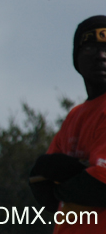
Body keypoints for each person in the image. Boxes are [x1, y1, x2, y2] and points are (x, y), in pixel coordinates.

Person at [30, 15, 106, 232]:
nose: (101, 56)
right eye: (90, 48)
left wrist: (63, 182)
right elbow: (40, 178)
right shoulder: (75, 115)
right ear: (76, 57)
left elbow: (101, 185)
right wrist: (79, 175)